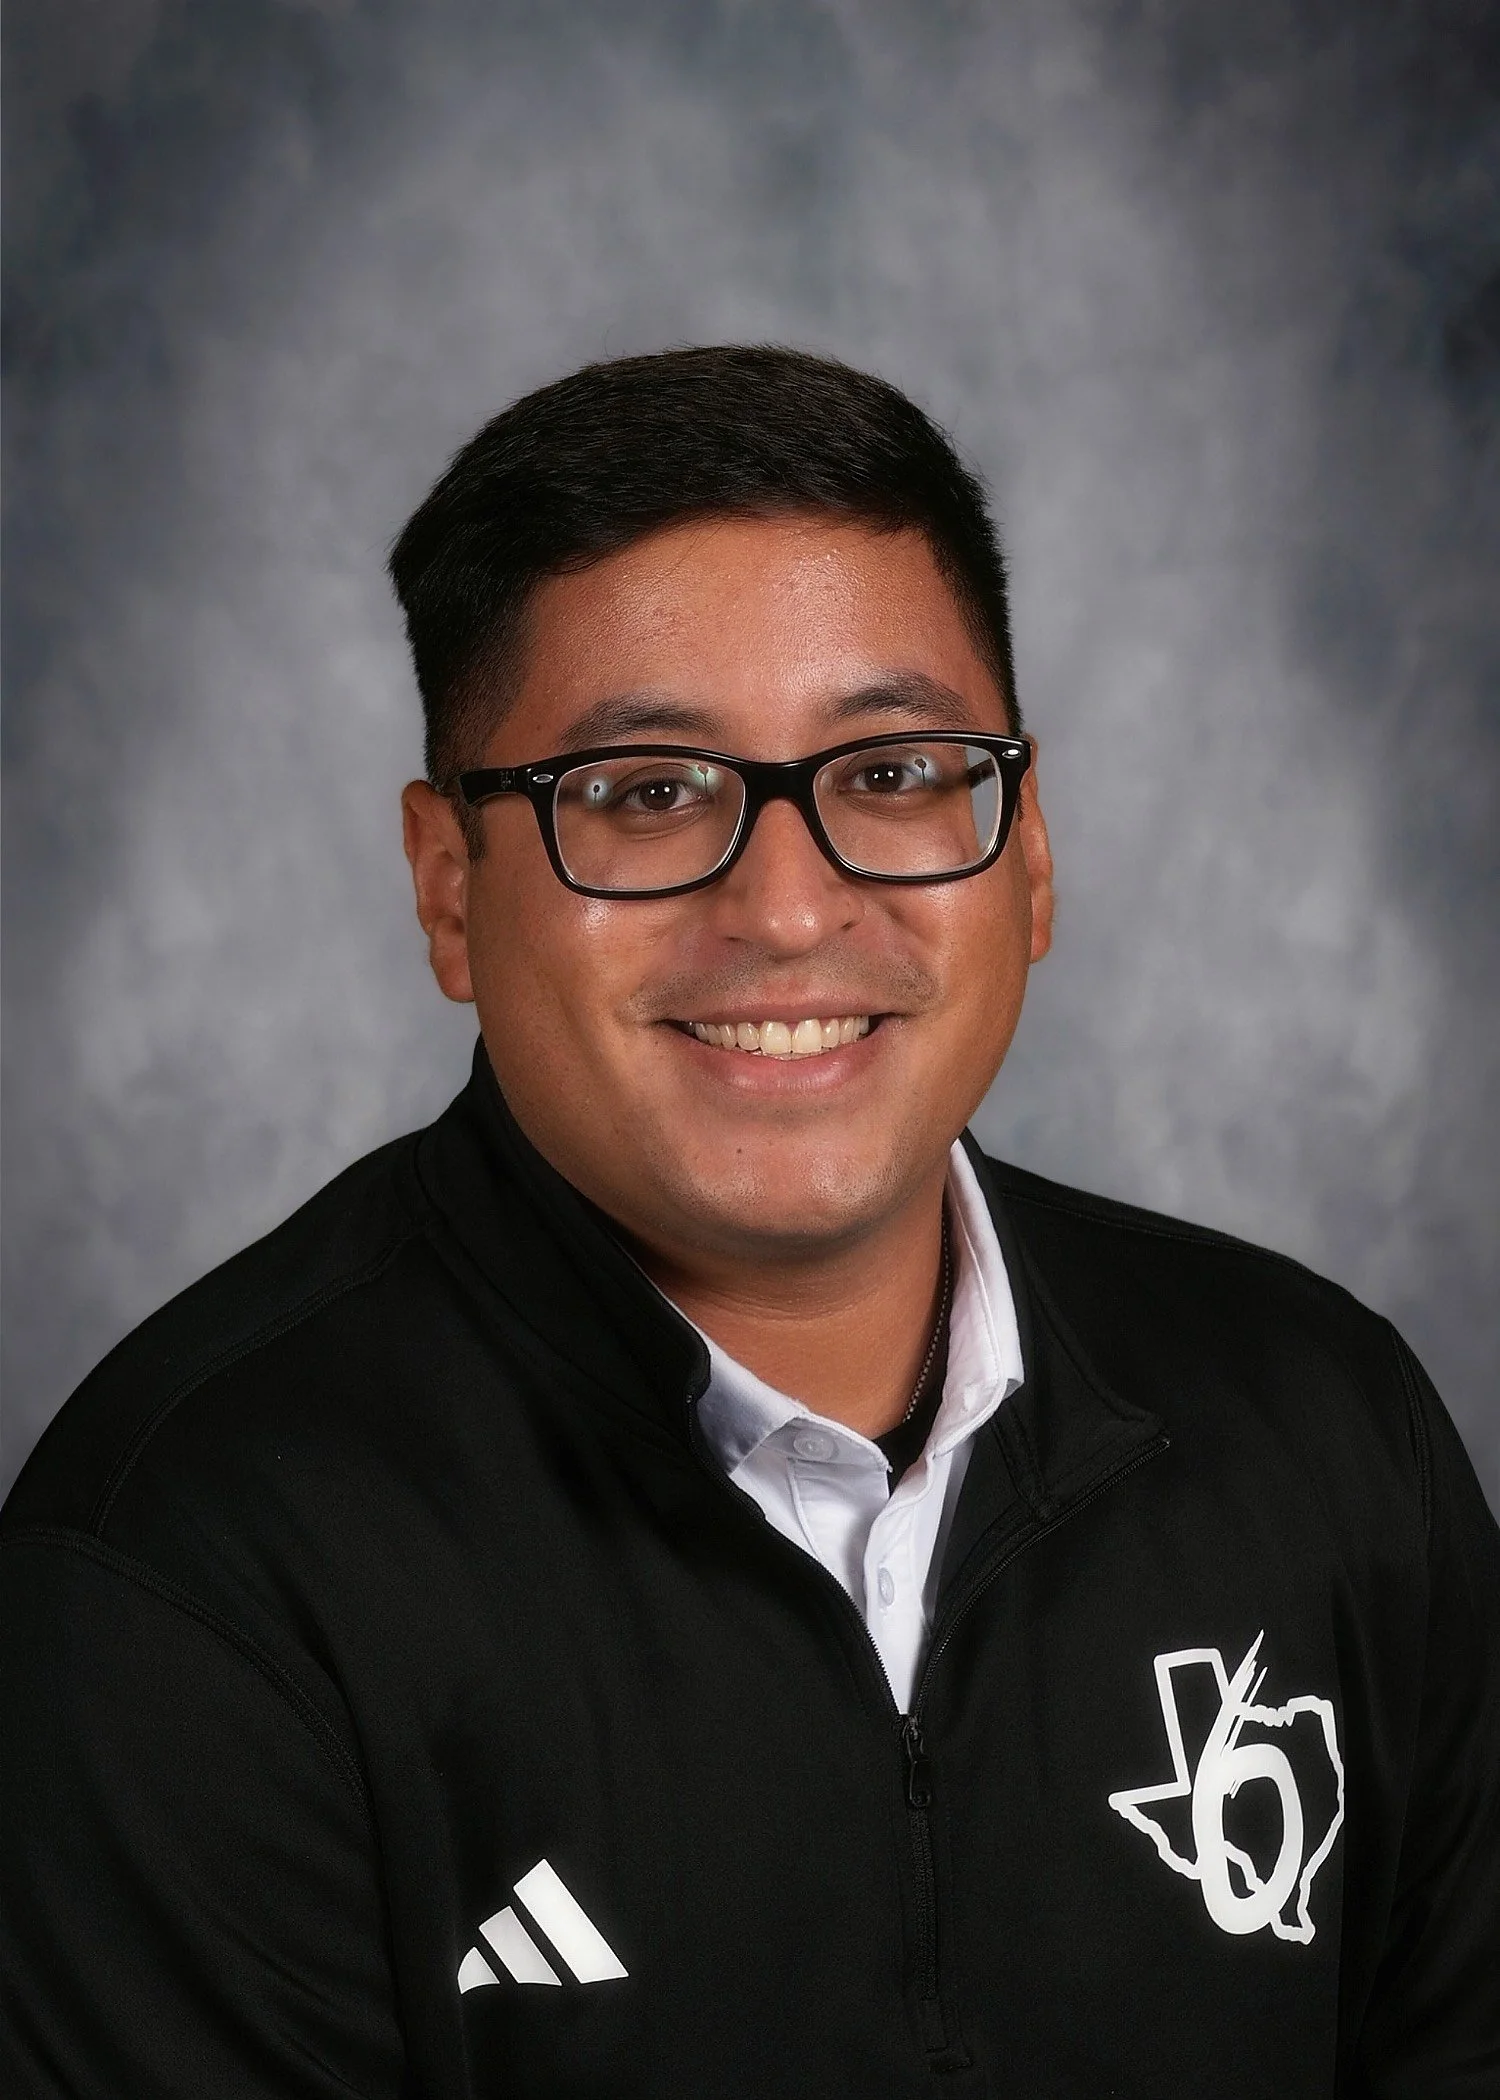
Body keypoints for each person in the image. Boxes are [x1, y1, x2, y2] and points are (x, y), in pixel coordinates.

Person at [2, 346, 1496, 2100]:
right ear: (447, 890)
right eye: (644, 795)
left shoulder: (1326, 1431)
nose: (787, 910)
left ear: (1028, 860)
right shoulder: (180, 1580)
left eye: (893, 773)